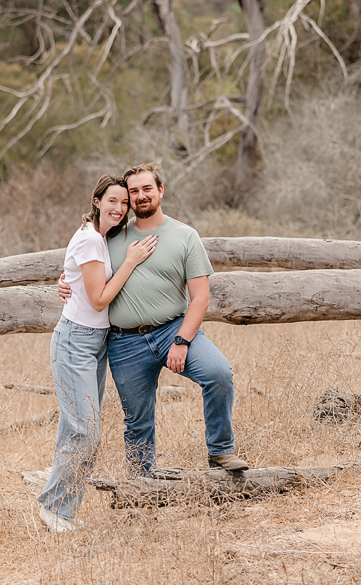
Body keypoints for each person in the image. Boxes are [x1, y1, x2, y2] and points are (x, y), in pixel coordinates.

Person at [61, 162, 248, 477]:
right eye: (133, 191)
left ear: (160, 190)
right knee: (137, 420)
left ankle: (220, 451)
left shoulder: (185, 236)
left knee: (218, 374)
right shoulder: (113, 234)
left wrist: (182, 341)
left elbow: (200, 297)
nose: (140, 196)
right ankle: (141, 486)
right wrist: (63, 280)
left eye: (147, 188)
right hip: (125, 341)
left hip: (173, 330)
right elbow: (83, 262)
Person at [38, 174, 157, 533]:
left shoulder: (103, 238)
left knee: (73, 428)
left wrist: (68, 280)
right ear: (96, 201)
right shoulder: (91, 240)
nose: (120, 208)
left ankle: (56, 504)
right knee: (86, 431)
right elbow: (99, 298)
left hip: (97, 342)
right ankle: (56, 509)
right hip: (76, 340)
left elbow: (79, 278)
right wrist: (131, 262)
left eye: (124, 203)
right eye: (113, 202)